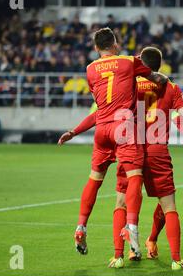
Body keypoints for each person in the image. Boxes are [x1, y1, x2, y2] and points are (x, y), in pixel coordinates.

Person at [59, 47, 183, 270]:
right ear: (160, 65)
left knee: (121, 201)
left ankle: (120, 255)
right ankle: (176, 260)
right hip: (157, 151)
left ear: (141, 63)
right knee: (169, 206)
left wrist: (74, 131)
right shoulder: (170, 86)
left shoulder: (129, 84)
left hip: (129, 148)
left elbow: (100, 114)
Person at [71, 28, 168, 258]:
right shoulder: (128, 61)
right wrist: (164, 80)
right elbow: (155, 77)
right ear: (115, 44)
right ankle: (132, 227)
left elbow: (101, 101)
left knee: (94, 180)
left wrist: (73, 131)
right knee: (135, 176)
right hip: (123, 127)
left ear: (96, 48)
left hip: (102, 129)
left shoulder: (90, 69)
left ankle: (81, 226)